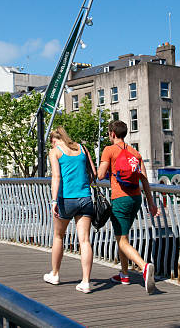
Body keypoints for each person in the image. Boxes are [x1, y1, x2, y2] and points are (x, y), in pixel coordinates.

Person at [97, 120, 159, 294]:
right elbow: (144, 179)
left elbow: (100, 175)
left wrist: (104, 171)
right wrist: (151, 203)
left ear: (112, 133)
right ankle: (124, 275)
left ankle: (144, 267)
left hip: (120, 199)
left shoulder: (109, 150)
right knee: (122, 237)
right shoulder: (135, 153)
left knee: (122, 239)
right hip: (136, 199)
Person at [43, 127, 97, 294]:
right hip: (85, 198)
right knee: (85, 240)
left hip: (66, 199)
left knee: (59, 236)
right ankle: (86, 282)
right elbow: (93, 173)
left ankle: (55, 274)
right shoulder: (82, 148)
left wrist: (53, 201)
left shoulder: (55, 152)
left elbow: (56, 177)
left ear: (53, 140)